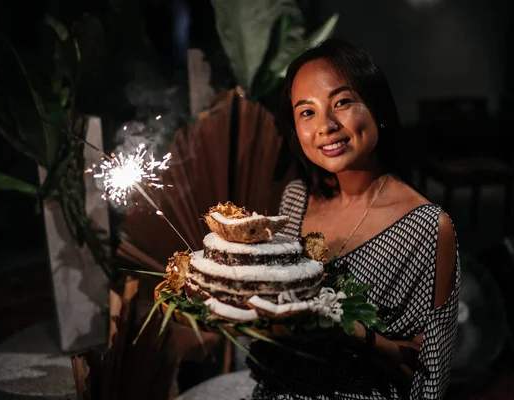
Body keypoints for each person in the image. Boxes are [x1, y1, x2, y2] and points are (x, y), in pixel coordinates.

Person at [178, 38, 460, 400]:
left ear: (376, 106)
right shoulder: (296, 199)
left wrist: (356, 334)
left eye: (342, 102)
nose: (325, 125)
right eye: (306, 112)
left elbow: (429, 371)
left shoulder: (428, 227)